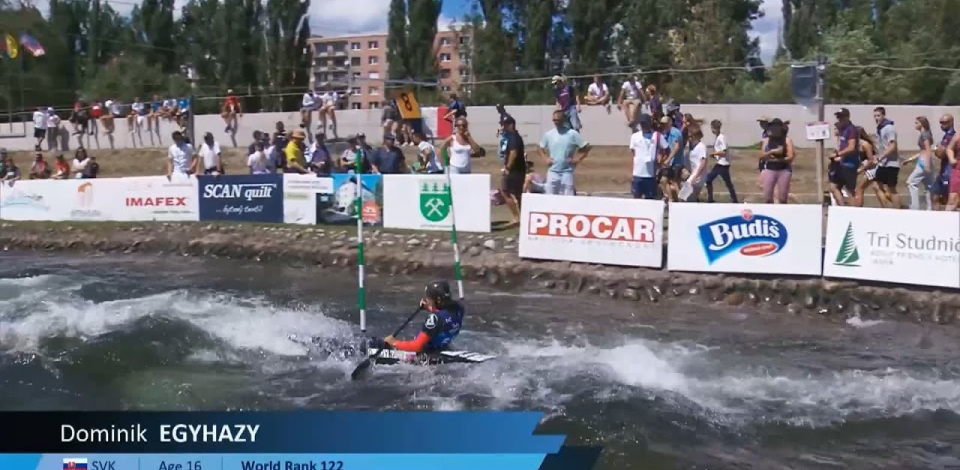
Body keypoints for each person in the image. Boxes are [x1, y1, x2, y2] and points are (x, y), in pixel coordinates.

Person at [382, 280, 464, 354]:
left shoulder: (434, 319)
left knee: (376, 343)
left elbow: (417, 347)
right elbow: (445, 317)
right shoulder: (459, 308)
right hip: (442, 345)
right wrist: (430, 308)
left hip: (426, 352)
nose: (427, 300)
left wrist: (394, 343)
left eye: (429, 298)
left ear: (438, 300)